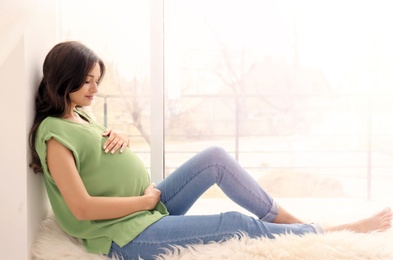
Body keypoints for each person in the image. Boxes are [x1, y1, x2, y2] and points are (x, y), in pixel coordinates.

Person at [29, 41, 392, 260]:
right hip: (123, 235)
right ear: (64, 77)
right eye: (87, 80)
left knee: (215, 159)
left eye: (97, 80)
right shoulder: (53, 133)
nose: (94, 88)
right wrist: (143, 202)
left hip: (147, 207)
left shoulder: (79, 116)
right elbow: (81, 207)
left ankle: (294, 224)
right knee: (233, 225)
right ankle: (327, 232)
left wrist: (118, 138)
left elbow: (100, 154)